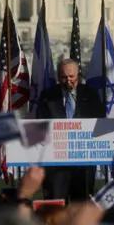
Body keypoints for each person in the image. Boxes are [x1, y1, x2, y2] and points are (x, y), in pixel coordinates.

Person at [36, 59, 104, 202]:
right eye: (63, 77)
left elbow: (100, 121)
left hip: (84, 163)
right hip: (56, 164)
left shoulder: (90, 94)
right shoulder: (47, 96)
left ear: (78, 74)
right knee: (56, 207)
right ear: (58, 77)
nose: (68, 80)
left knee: (81, 206)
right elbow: (40, 124)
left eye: (71, 76)